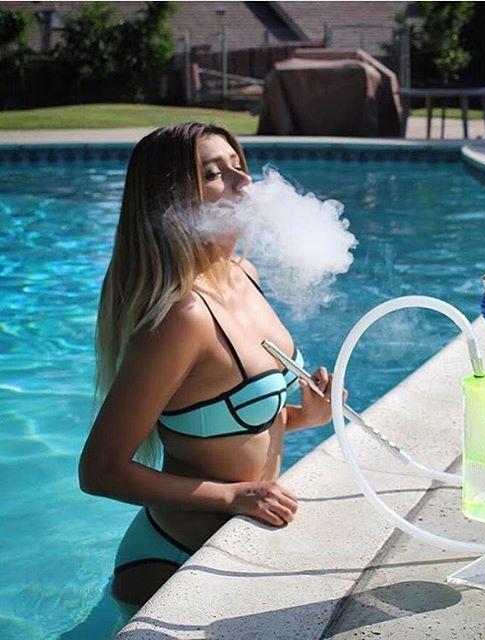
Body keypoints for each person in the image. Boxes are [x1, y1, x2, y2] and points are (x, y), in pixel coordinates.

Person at [79, 122, 340, 609]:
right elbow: (100, 471)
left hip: (235, 543)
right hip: (173, 563)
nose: (244, 182)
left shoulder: (244, 275)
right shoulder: (183, 318)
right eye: (214, 174)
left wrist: (308, 416)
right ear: (170, 203)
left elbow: (226, 426)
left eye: (238, 166)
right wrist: (232, 496)